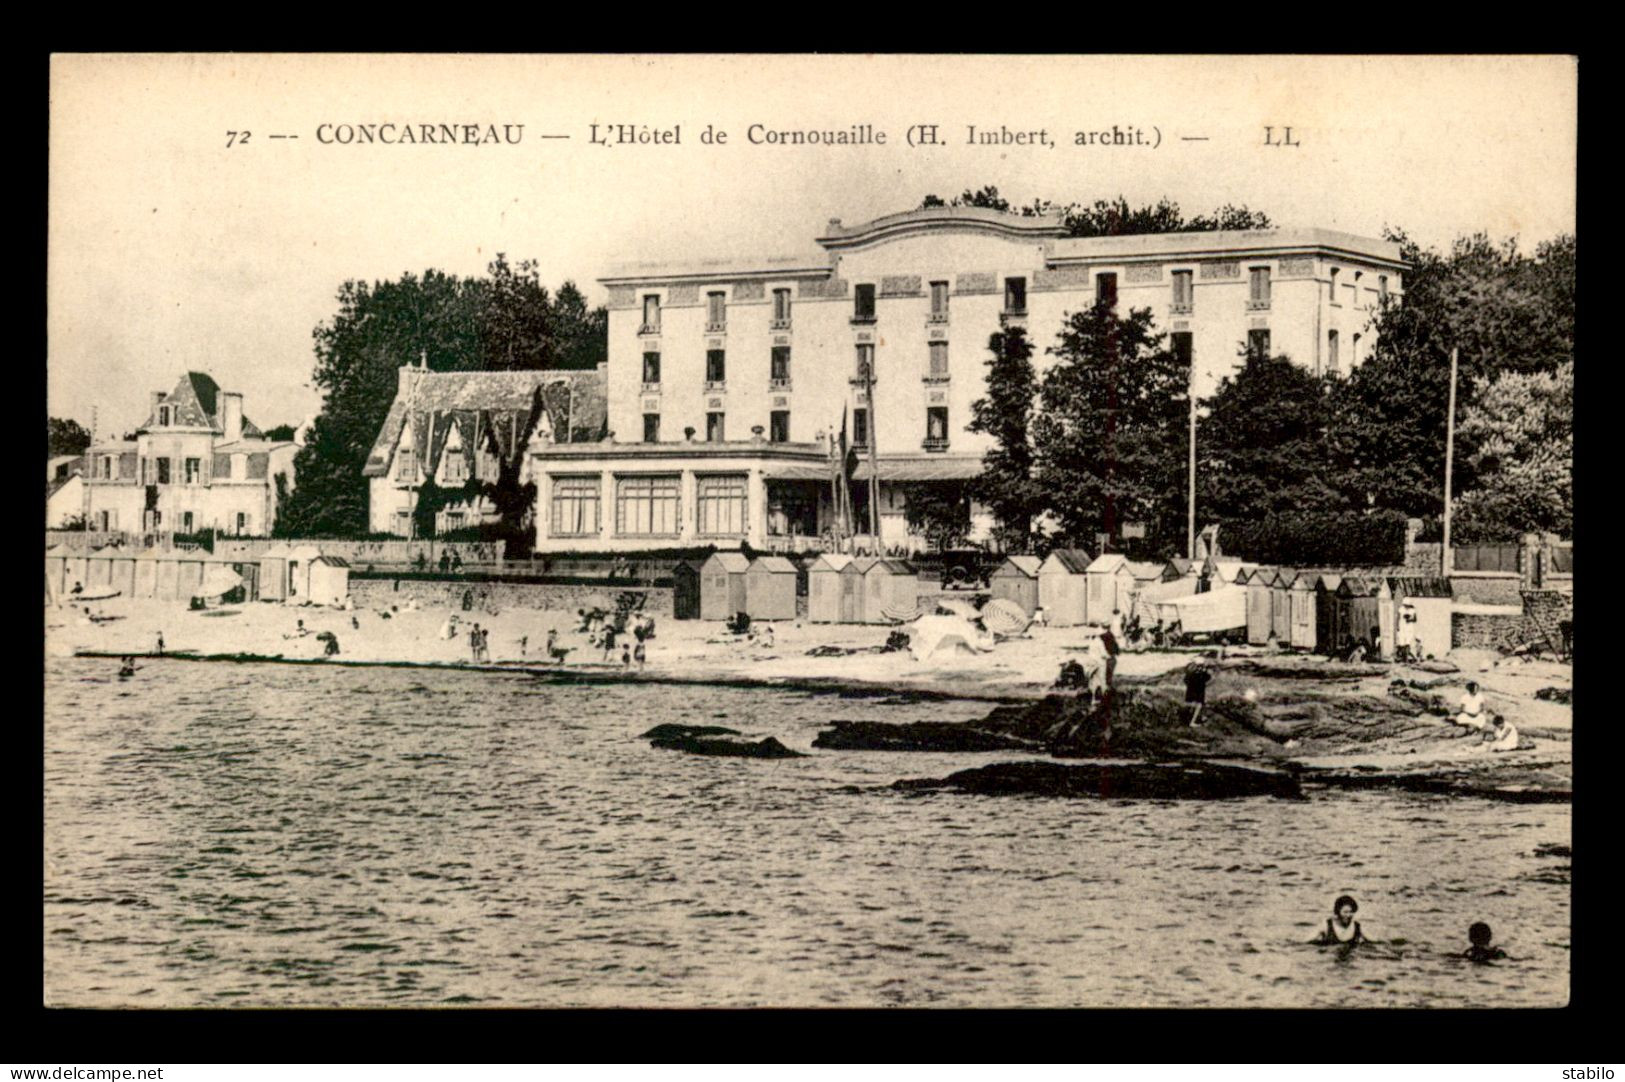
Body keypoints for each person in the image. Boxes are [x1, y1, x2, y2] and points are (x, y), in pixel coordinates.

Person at [1184, 660, 1212, 726]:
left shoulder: (1190, 676)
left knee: (1201, 705)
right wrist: (1205, 670)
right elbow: (1208, 677)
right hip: (1195, 699)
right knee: (1199, 705)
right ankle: (1192, 722)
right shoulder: (1200, 675)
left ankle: (1201, 717)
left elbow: (1185, 680)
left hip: (1189, 697)